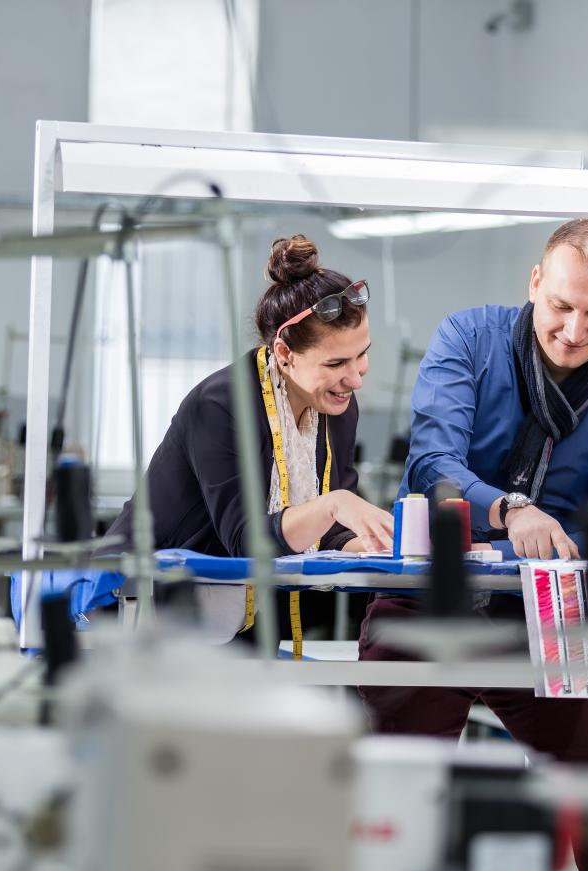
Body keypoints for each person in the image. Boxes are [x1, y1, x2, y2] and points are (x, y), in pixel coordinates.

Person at [357, 219, 588, 871]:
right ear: (534, 284)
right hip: (427, 606)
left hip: (549, 623)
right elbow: (434, 467)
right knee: (398, 806)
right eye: (560, 305)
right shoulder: (469, 339)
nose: (574, 329)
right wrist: (514, 511)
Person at [108, 234, 394, 648]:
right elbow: (246, 540)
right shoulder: (222, 404)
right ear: (283, 352)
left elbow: (326, 532)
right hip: (145, 608)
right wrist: (335, 505)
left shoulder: (336, 406)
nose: (356, 377)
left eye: (362, 354)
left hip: (241, 616)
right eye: (335, 363)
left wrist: (371, 544)